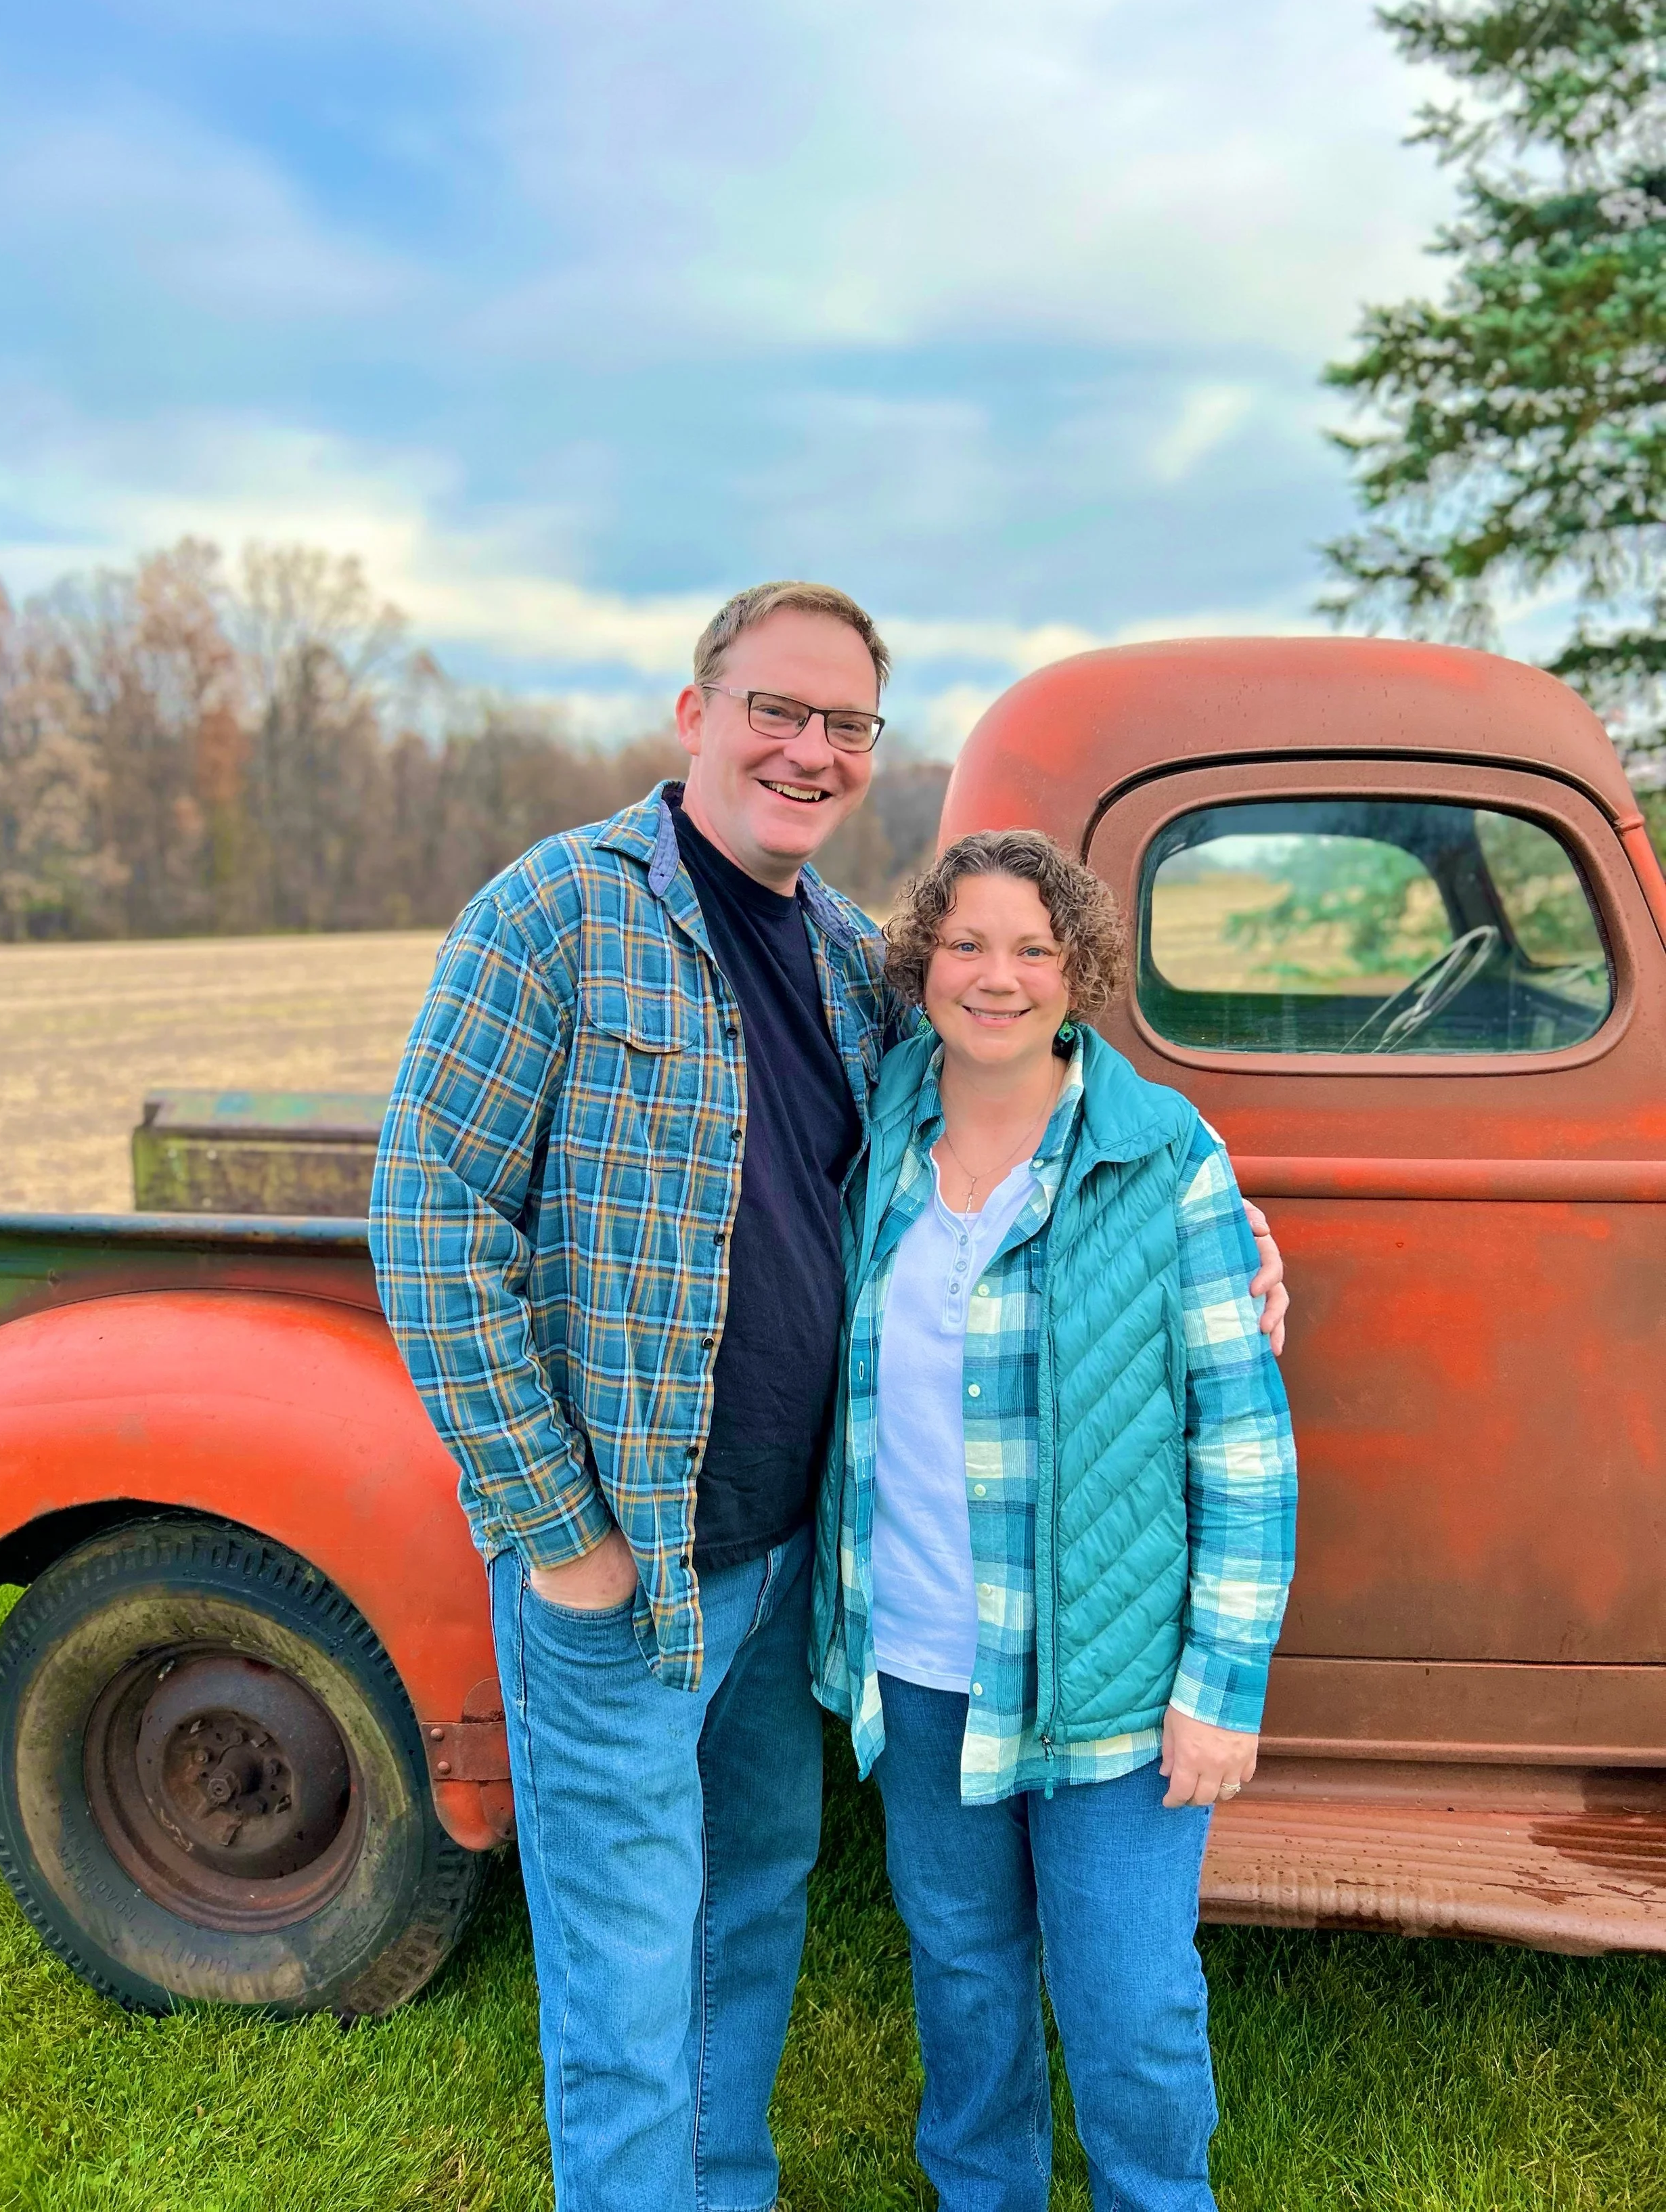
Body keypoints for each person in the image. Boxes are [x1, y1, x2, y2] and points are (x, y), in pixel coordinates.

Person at [370, 581, 1289, 2212]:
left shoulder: (845, 960)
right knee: (630, 1963)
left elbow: (1023, 1085)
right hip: (625, 1562)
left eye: (844, 725)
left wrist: (1220, 1221)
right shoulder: (555, 918)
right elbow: (429, 1221)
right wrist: (556, 1530)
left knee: (746, 1915)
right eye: (774, 712)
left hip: (791, 1565)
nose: (807, 750)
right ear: (694, 714)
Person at [811, 828, 1298, 2212]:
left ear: (1077, 970)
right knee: (962, 1978)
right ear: (921, 965)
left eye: (1032, 947)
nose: (997, 974)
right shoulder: (883, 1127)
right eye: (964, 942)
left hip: (1114, 1688)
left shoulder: (1163, 1158)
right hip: (917, 1662)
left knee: (1127, 2000)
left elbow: (1244, 1445)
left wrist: (1219, 1688)